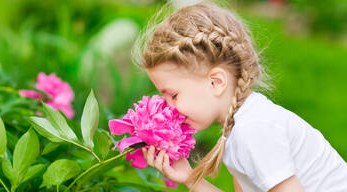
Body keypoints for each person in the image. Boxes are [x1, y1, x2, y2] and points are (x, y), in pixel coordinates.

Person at [133, 2, 347, 192]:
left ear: (216, 82)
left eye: (173, 95)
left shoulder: (253, 131)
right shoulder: (240, 128)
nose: (169, 108)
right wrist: (189, 179)